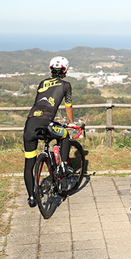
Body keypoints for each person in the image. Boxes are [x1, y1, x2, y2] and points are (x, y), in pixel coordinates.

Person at [22, 56, 76, 208]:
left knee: (28, 165)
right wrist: (71, 123)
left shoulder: (42, 83)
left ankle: (32, 198)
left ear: (51, 69)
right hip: (47, 124)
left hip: (30, 125)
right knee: (65, 134)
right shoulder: (66, 85)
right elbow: (68, 107)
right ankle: (64, 165)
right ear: (65, 70)